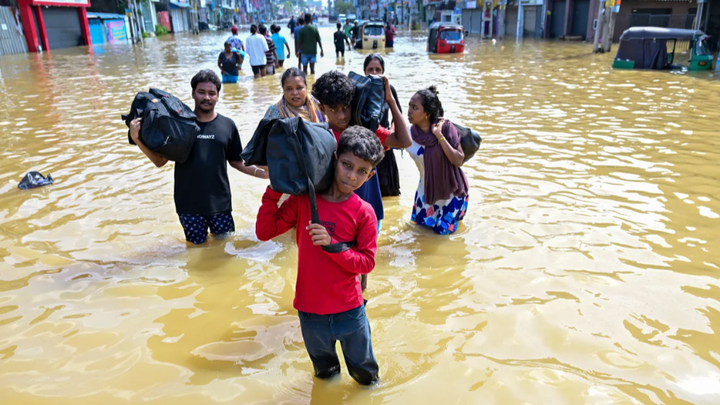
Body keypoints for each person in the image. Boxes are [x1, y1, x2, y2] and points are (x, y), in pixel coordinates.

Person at [256, 126, 383, 386]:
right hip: (310, 312)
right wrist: (276, 186)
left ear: (370, 176)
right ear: (335, 159)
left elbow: (367, 263)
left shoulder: (364, 212)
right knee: (325, 376)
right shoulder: (304, 200)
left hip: (350, 311)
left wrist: (332, 244)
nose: (352, 176)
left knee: (367, 378)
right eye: (347, 165)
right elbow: (264, 231)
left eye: (362, 171)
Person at [129, 70, 268, 244]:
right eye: (201, 92)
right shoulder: (179, 124)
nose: (207, 97)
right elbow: (160, 161)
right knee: (196, 249)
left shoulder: (227, 125)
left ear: (218, 96)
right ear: (193, 93)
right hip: (189, 207)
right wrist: (137, 139)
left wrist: (262, 173)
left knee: (224, 249)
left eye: (212, 93)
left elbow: (236, 161)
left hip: (220, 205)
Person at [312, 71, 410, 291]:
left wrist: (390, 100)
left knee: (363, 267)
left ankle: (361, 300)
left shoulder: (364, 133)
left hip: (367, 211)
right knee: (338, 269)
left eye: (346, 107)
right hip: (337, 215)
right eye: (334, 109)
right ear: (321, 108)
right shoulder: (320, 138)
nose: (342, 115)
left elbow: (404, 141)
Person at [407, 86, 469, 235]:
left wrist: (439, 136)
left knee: (441, 238)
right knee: (420, 236)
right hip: (425, 194)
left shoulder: (446, 128)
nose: (409, 111)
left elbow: (458, 160)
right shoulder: (409, 134)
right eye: (409, 106)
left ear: (427, 114)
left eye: (414, 108)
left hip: (451, 193)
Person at [363, 54, 401, 197]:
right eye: (370, 69)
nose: (374, 73)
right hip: (365, 147)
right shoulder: (360, 89)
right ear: (364, 71)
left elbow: (398, 115)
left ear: (383, 72)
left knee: (388, 193)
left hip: (386, 145)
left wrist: (391, 133)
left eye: (378, 70)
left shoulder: (389, 89)